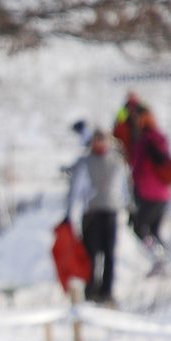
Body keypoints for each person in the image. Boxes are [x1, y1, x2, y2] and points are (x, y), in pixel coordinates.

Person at [64, 128, 130, 303]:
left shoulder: (116, 162)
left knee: (109, 254)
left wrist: (129, 207)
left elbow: (124, 188)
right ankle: (91, 290)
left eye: (103, 139)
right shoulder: (84, 163)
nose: (100, 143)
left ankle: (106, 291)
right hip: (91, 213)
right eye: (97, 139)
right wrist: (69, 213)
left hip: (110, 211)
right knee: (90, 254)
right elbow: (76, 190)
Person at [125, 106, 171, 276]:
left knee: (139, 228)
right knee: (154, 229)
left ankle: (159, 259)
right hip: (164, 193)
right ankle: (163, 260)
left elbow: (137, 168)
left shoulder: (144, 141)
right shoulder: (161, 139)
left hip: (148, 192)